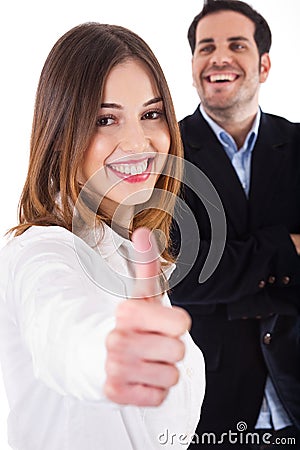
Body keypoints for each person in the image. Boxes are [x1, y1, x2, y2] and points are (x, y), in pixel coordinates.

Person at [0, 22, 205, 450]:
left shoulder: (135, 252)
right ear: (59, 136)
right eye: (105, 119)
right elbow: (62, 329)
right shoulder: (42, 248)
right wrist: (109, 354)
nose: (138, 141)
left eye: (151, 114)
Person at [169, 1, 300, 449]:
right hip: (212, 406)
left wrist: (228, 272)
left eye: (236, 45)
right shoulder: (167, 155)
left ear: (263, 64)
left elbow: (209, 270)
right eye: (206, 48)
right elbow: (179, 274)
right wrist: (288, 249)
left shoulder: (298, 145)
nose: (219, 58)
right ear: (192, 68)